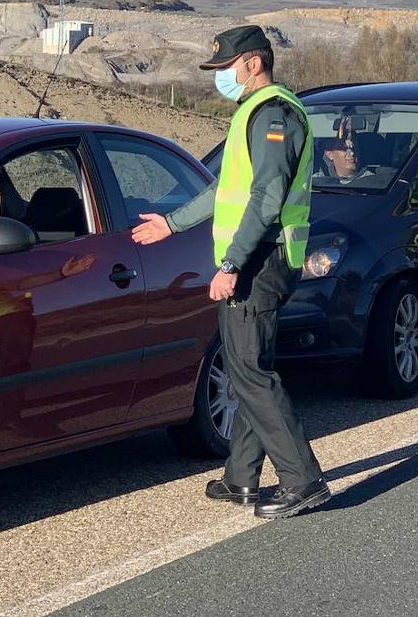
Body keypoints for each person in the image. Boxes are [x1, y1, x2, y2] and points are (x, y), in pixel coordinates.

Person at [131, 25, 329, 519]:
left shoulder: (273, 114)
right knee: (245, 368)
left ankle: (303, 480)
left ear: (253, 63)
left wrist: (230, 265)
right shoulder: (253, 114)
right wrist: (171, 224)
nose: (221, 76)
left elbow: (266, 198)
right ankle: (241, 478)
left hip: (260, 260)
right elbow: (225, 189)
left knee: (253, 372)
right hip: (259, 258)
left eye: (225, 67)